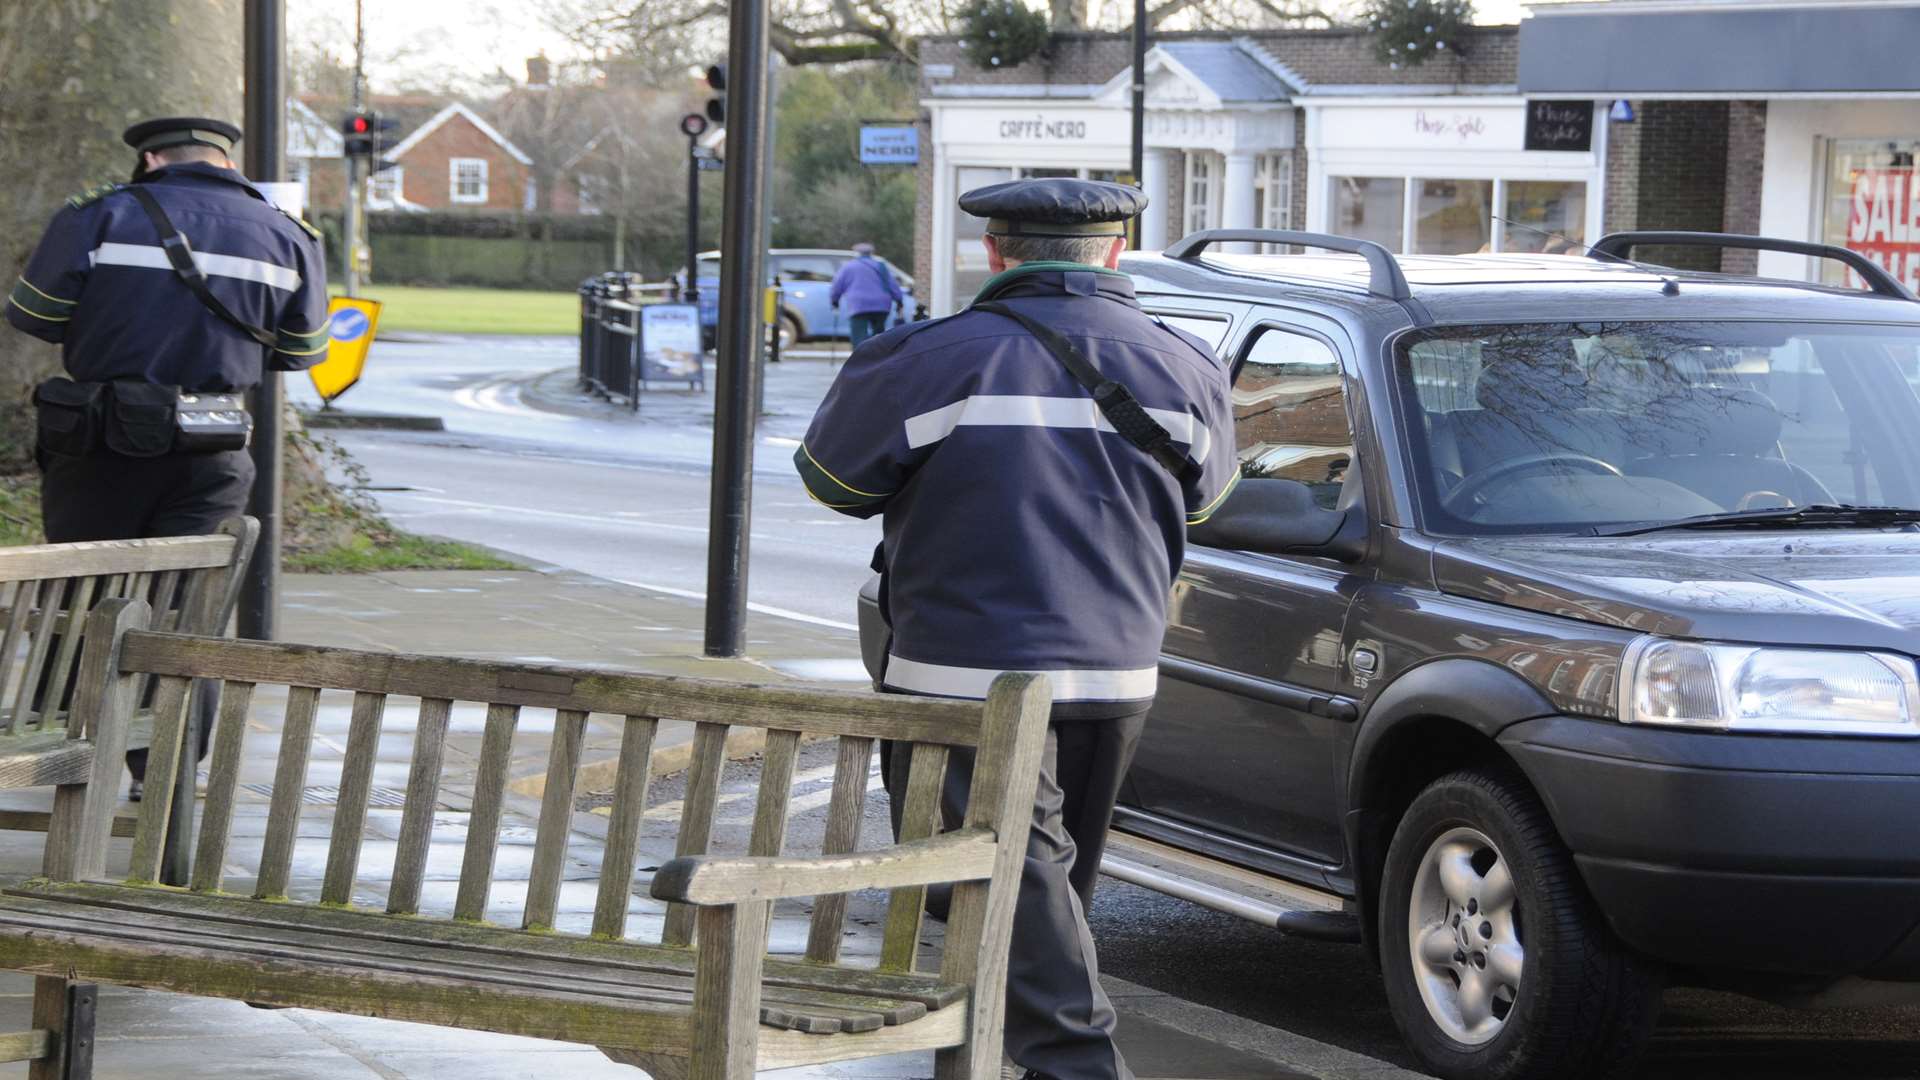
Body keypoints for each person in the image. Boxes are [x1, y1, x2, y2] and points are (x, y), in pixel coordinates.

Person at [795, 178, 1238, 1080]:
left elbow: (835, 484)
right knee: (1047, 887)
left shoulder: (925, 357)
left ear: (994, 252)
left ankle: (1076, 1066)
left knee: (1016, 882)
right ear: (1115, 253)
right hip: (1118, 668)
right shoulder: (1189, 365)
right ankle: (1025, 1058)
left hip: (965, 670)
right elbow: (1212, 498)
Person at [6, 116, 330, 797]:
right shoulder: (286, 233)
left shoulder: (102, 214)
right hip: (212, 447)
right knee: (184, 609)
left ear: (151, 158)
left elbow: (34, 313)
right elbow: (300, 353)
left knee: (86, 595)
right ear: (222, 159)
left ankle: (79, 754)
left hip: (101, 444)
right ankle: (168, 772)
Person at [828, 241, 904, 348]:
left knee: (858, 335)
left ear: (856, 253)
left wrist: (834, 300)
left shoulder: (848, 267)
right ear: (871, 253)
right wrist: (899, 300)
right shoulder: (881, 266)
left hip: (858, 305)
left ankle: (860, 358)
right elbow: (892, 284)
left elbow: (837, 286)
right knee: (878, 335)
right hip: (881, 305)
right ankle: (876, 357)